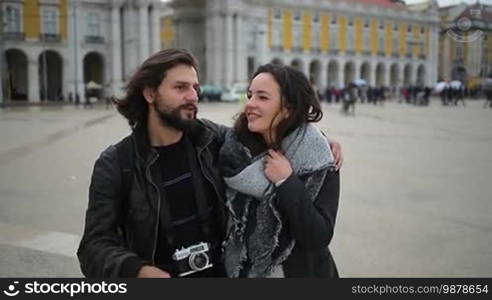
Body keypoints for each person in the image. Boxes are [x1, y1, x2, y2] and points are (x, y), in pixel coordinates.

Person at [77, 49, 343, 278]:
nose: (193, 96)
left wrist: (317, 140)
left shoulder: (212, 140)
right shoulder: (116, 164)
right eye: (180, 88)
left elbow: (272, 134)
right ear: (149, 93)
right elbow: (93, 245)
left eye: (195, 88)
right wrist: (134, 270)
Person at [220, 64, 340, 277]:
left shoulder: (319, 158)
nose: (250, 104)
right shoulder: (234, 148)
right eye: (250, 95)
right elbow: (194, 127)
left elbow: (318, 235)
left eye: (262, 97)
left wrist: (286, 181)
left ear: (288, 108)